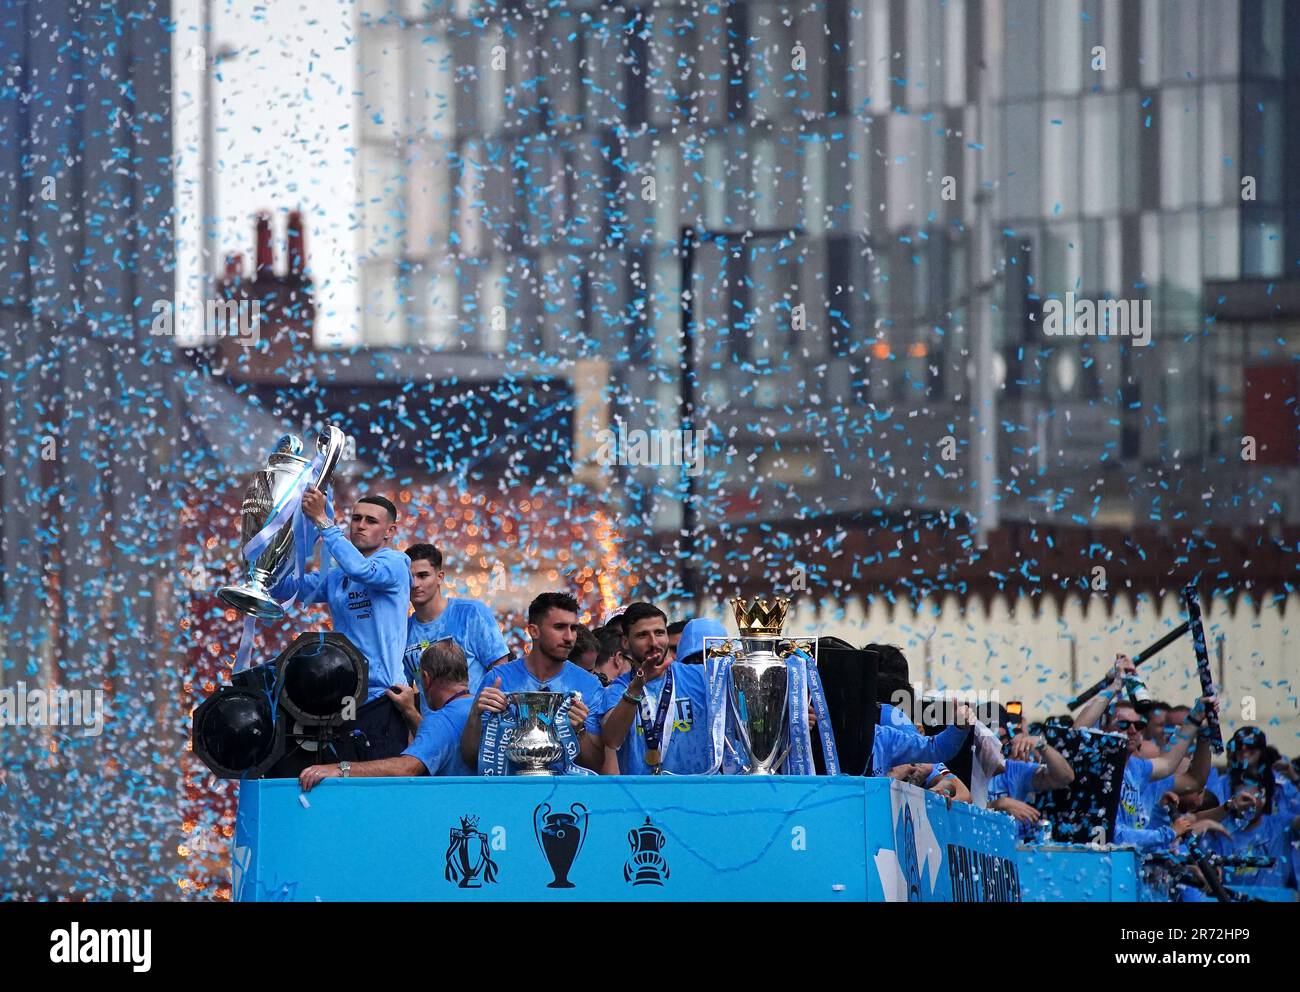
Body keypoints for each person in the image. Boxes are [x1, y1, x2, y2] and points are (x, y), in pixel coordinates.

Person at [273, 491, 412, 760]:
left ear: (389, 531)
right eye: (356, 518)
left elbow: (363, 571)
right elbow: (288, 588)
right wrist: (268, 552)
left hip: (384, 698)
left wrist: (323, 522)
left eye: (371, 521)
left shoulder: (395, 563)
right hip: (345, 697)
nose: (360, 525)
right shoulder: (338, 576)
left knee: (376, 785)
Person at [1072, 655, 1218, 851]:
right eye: (1123, 724)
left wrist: (1198, 721)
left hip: (1130, 871)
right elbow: (1077, 732)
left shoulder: (1138, 769)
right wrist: (1115, 685)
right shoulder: (1094, 765)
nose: (1133, 730)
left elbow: (1192, 778)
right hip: (1099, 866)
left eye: (1139, 725)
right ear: (1104, 728)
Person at [297, 638, 475, 790]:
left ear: (426, 679)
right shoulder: (475, 708)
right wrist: (409, 710)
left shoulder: (441, 721)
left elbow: (406, 769)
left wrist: (340, 769)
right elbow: (441, 742)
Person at [459, 592, 606, 773]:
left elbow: (596, 765)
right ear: (533, 631)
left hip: (565, 799)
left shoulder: (589, 686)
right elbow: (470, 758)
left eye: (573, 628)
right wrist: (475, 714)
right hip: (510, 794)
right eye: (560, 627)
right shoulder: (499, 679)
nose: (569, 637)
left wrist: (579, 731)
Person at [595, 603, 713, 775]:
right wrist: (637, 686)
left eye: (659, 633)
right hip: (639, 796)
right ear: (625, 642)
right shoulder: (617, 689)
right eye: (642, 635)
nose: (653, 642)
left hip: (694, 792)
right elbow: (612, 740)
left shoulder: (699, 677)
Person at [402, 543, 509, 720]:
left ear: (439, 577)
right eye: (409, 577)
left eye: (423, 575)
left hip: (477, 728)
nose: (415, 584)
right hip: (435, 735)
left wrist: (485, 718)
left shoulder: (471, 613)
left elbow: (501, 670)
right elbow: (405, 692)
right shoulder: (403, 631)